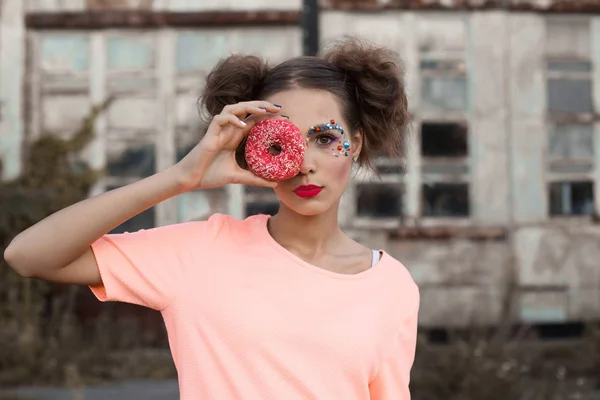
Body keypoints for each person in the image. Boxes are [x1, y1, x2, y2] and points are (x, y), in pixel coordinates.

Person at [5, 37, 420, 399]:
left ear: (357, 142)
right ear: (253, 147)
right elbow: (29, 255)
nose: (304, 164)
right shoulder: (202, 252)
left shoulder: (390, 285)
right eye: (282, 141)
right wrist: (181, 178)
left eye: (326, 138)